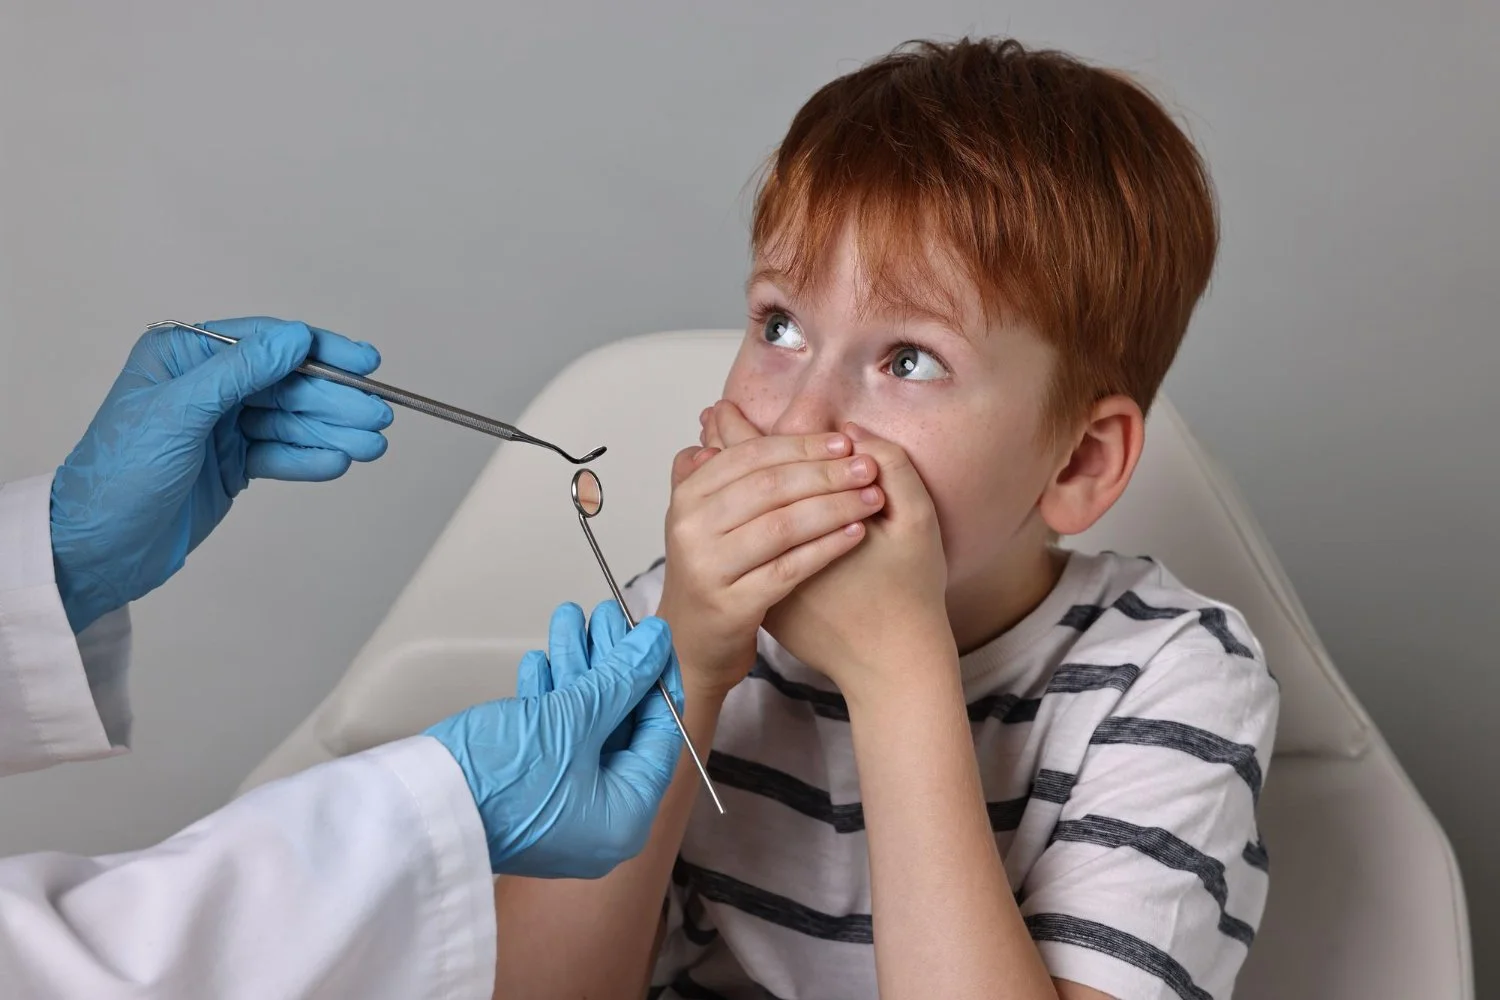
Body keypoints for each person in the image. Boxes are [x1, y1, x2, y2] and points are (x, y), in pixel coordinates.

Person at [490, 37, 1280, 1000]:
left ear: (1076, 461)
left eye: (910, 358)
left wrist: (897, 672)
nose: (797, 417)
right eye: (780, 326)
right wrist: (688, 663)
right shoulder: (688, 613)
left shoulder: (1174, 680)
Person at [0, 317, 684, 998]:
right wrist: (458, 804)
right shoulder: (674, 613)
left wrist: (60, 556)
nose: (727, 411)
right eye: (772, 327)